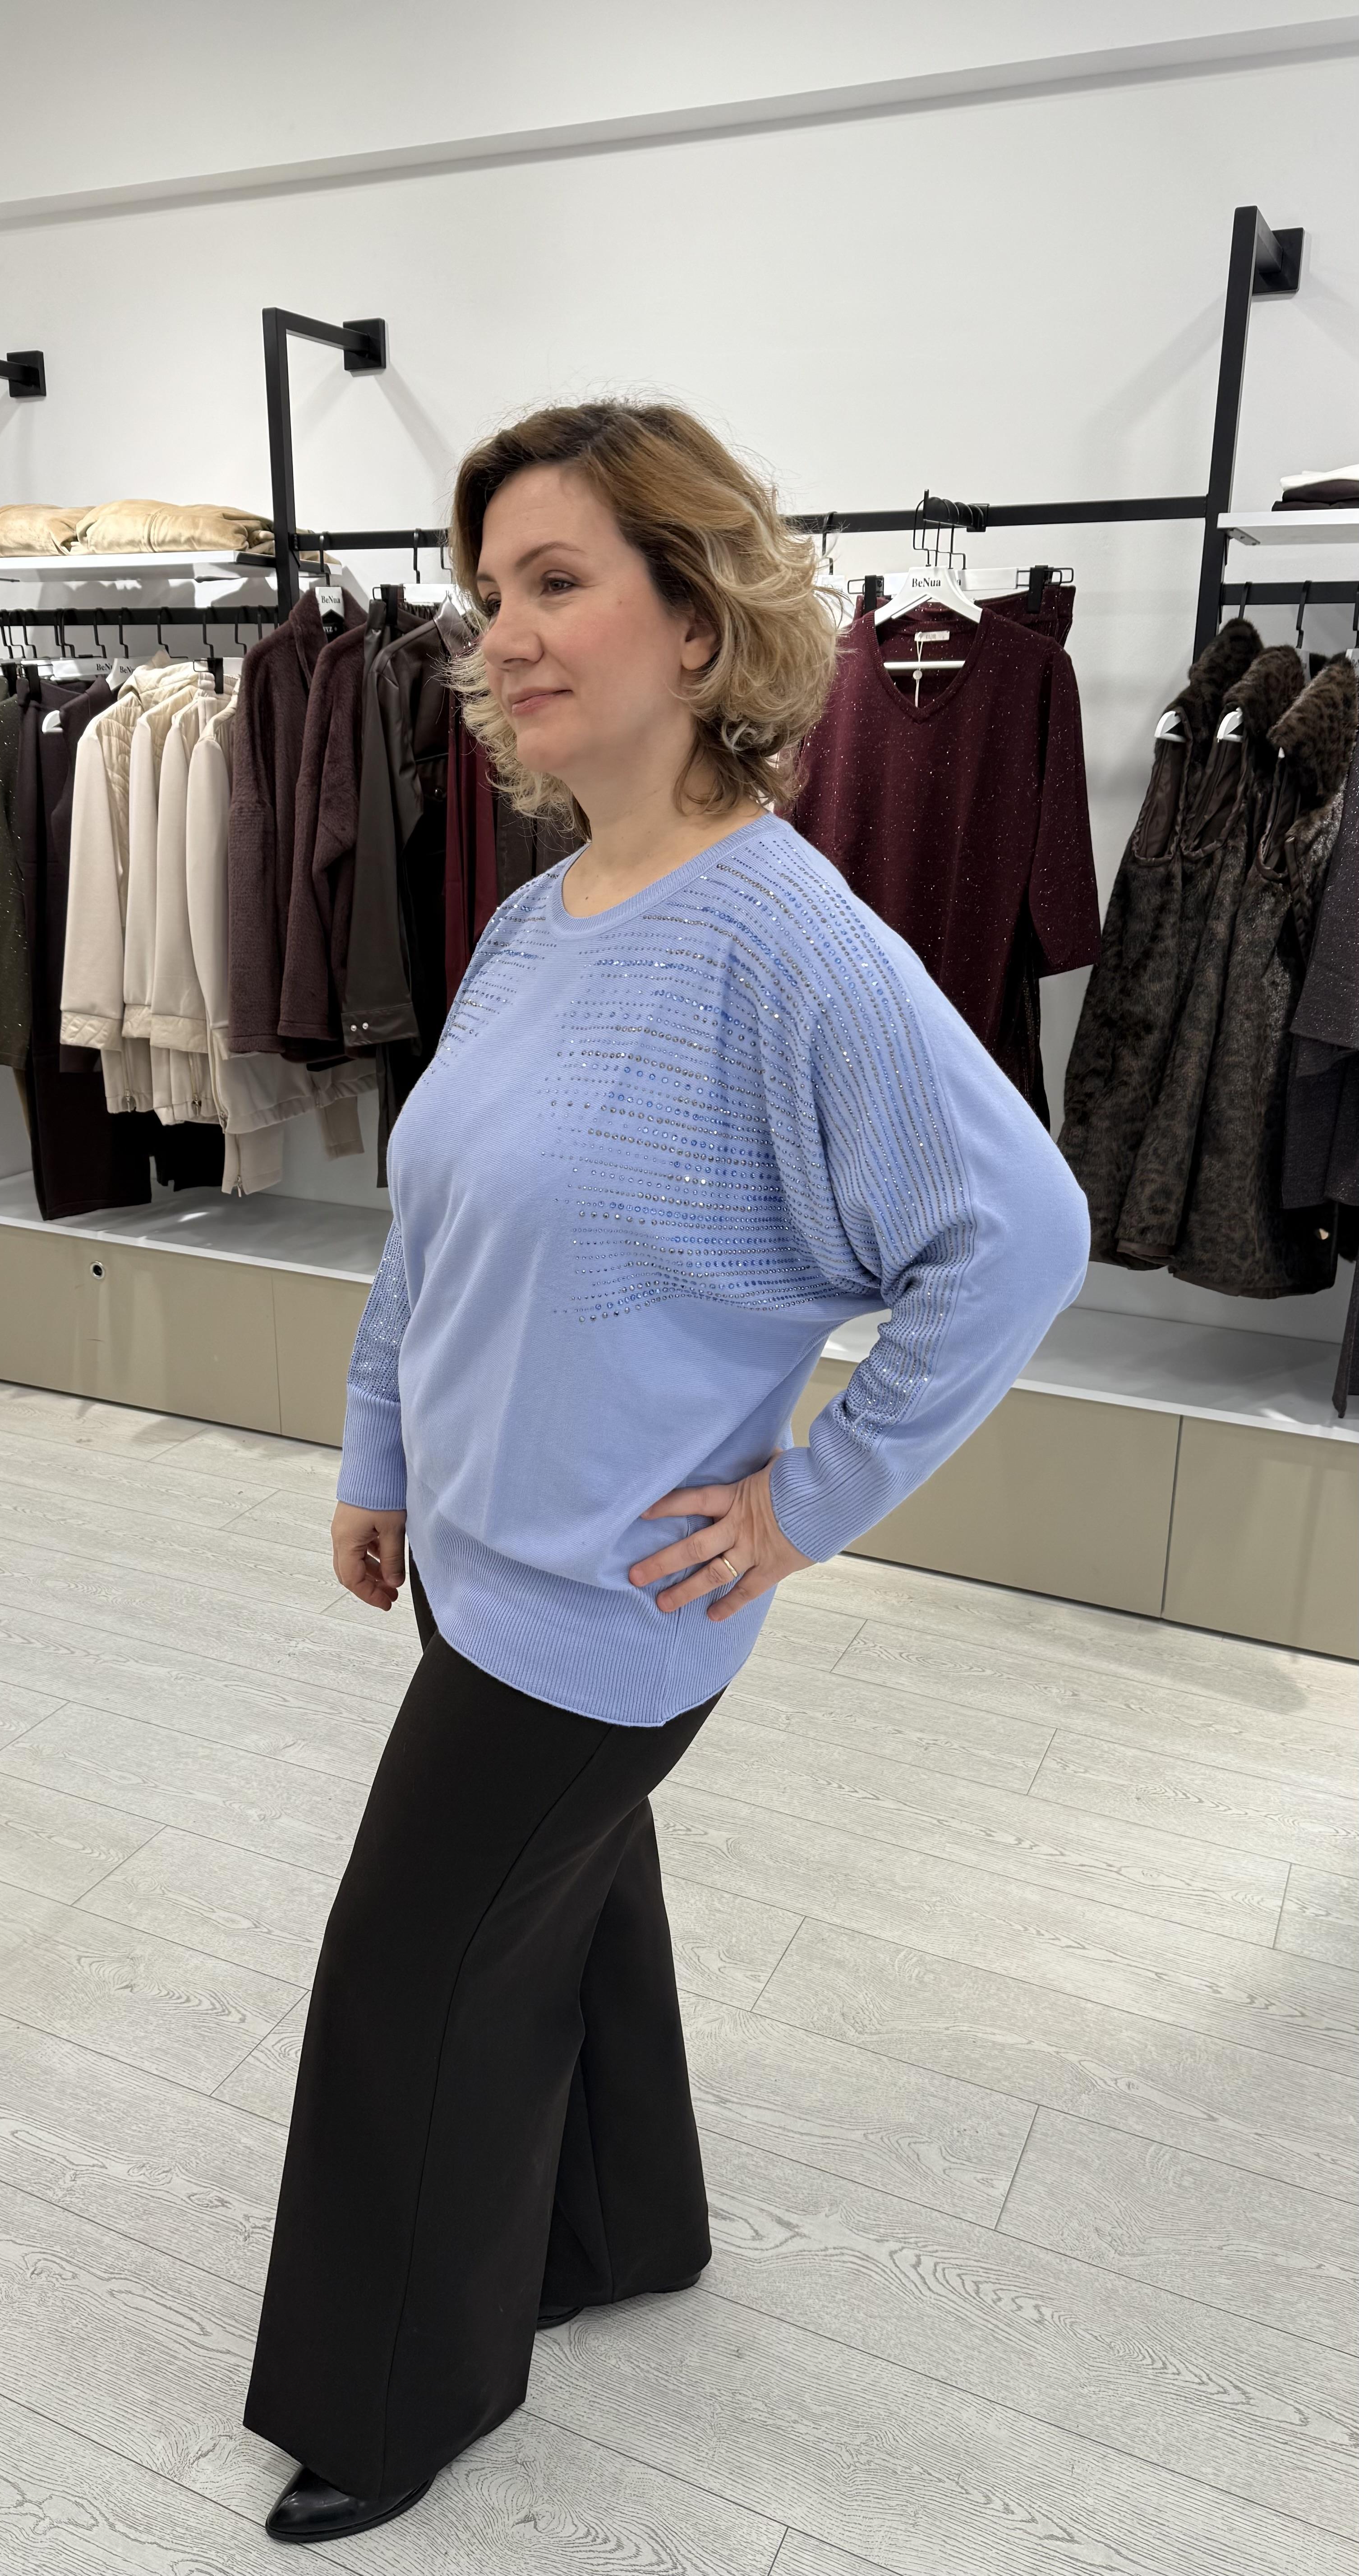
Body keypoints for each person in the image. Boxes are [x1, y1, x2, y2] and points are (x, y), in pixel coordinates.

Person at [244, 400, 1091, 2543]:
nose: (504, 638)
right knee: (566, 1902)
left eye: (558, 584)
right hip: (477, 1556)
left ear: (698, 621)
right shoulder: (537, 922)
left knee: (411, 1971)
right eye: (489, 596)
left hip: (611, 1605)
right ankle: (627, 2224)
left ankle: (390, 2401)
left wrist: (812, 1499)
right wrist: (378, 1449)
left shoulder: (790, 946)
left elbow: (1019, 1235)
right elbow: (434, 1228)